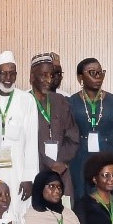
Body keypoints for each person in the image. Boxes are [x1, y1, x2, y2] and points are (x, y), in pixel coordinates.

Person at [0, 52, 38, 215]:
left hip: (18, 169)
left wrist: (29, 178)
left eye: (12, 73)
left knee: (18, 211)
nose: (8, 77)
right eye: (3, 72)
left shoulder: (26, 100)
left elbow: (32, 142)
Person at [67, 59, 113, 195]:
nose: (98, 76)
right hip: (81, 160)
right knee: (83, 203)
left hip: (110, 158)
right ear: (80, 78)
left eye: (100, 73)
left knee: (112, 201)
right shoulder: (71, 102)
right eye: (92, 73)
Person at [28, 54, 79, 199]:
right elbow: (25, 141)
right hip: (36, 168)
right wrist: (49, 163)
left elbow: (73, 136)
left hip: (61, 171)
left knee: (64, 211)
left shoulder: (61, 101)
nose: (49, 80)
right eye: (43, 75)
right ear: (32, 77)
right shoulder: (24, 102)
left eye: (51, 75)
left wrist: (61, 162)